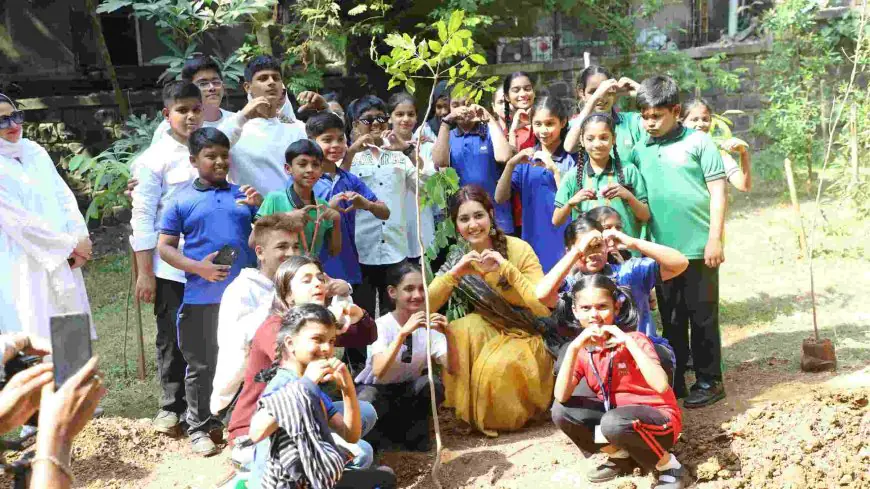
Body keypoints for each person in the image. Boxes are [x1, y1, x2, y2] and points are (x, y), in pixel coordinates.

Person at [157, 127, 261, 455]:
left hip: (245, 299)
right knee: (202, 364)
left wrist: (259, 210)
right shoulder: (180, 200)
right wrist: (197, 267)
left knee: (244, 361)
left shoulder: (243, 196)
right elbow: (165, 248)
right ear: (193, 160)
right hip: (202, 296)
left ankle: (235, 423)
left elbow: (263, 241)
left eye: (224, 155)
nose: (219, 162)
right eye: (210, 156)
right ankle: (199, 425)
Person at [627, 75, 727, 407]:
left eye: (657, 115)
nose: (650, 123)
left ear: (676, 110)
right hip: (662, 252)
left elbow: (717, 193)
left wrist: (715, 239)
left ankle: (710, 381)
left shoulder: (700, 142)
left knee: (702, 316)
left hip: (699, 249)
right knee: (671, 318)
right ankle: (675, 382)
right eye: (644, 116)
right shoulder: (640, 150)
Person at [427, 185, 552, 436]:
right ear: (456, 225)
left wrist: (507, 269)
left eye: (478, 215)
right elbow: (427, 305)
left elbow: (544, 307)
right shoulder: (459, 258)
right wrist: (455, 274)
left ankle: (509, 415)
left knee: (497, 366)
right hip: (491, 325)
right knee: (458, 330)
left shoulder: (518, 249)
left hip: (530, 332)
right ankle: (468, 414)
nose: (473, 225)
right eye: (464, 219)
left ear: (491, 215)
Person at [227, 256, 376, 452]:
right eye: (307, 280)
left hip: (305, 406)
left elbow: (368, 335)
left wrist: (359, 314)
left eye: (320, 278)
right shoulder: (275, 326)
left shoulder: (315, 324)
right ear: (288, 295)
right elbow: (294, 377)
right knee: (360, 452)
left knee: (366, 412)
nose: (317, 284)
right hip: (255, 431)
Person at [552, 274, 685, 489]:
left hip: (658, 424)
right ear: (575, 312)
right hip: (618, 424)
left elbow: (661, 385)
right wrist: (575, 347)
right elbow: (561, 396)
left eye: (602, 306)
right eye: (585, 308)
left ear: (616, 307)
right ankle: (622, 457)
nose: (594, 314)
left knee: (613, 422)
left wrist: (627, 341)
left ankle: (669, 466)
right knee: (562, 411)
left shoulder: (636, 340)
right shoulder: (582, 350)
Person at [248, 304, 396, 489]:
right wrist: (307, 383)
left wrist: (348, 389)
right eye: (317, 339)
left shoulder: (310, 384)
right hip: (283, 483)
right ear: (290, 343)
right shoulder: (285, 383)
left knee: (384, 478)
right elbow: (256, 432)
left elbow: (350, 435)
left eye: (332, 341)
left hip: (310, 476)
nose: (326, 348)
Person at [0, 93, 94, 340]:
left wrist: (80, 238)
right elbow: (18, 222)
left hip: (65, 257)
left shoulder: (34, 150)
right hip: (23, 260)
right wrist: (69, 245)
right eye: (2, 121)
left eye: (15, 117)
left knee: (72, 343)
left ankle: (75, 378)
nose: (13, 126)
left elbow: (64, 196)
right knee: (34, 337)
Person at [210, 213, 306, 417]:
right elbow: (245, 341)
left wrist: (342, 291)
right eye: (282, 247)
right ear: (260, 253)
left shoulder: (300, 286)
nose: (291, 253)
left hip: (291, 382)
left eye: (295, 246)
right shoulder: (242, 290)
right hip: (244, 396)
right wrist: (282, 300)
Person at [345, 95, 432, 318]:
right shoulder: (347, 159)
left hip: (395, 250)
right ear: (355, 124)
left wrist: (407, 151)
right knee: (360, 318)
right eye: (368, 120)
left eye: (381, 119)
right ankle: (361, 355)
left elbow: (427, 188)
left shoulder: (398, 157)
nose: (376, 124)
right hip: (360, 251)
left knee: (396, 316)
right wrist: (351, 151)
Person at [355, 262, 458, 451]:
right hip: (378, 394)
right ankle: (374, 442)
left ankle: (414, 434)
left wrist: (448, 334)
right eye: (409, 289)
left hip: (407, 395)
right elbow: (378, 370)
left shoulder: (428, 326)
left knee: (431, 383)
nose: (417, 295)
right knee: (368, 398)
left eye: (421, 289)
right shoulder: (381, 325)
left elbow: (453, 368)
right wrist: (403, 334)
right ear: (393, 292)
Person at [536, 215, 688, 342]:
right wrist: (576, 252)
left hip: (640, 356)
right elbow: (542, 295)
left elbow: (679, 263)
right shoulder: (570, 285)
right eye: (586, 249)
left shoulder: (628, 273)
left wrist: (633, 243)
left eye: (597, 246)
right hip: (591, 362)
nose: (593, 253)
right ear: (569, 251)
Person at [495, 96, 578, 272]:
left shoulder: (572, 159)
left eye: (550, 124)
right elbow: (500, 197)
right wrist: (510, 165)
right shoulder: (526, 160)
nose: (543, 130)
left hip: (566, 242)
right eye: (538, 124)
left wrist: (554, 169)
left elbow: (576, 202)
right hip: (534, 243)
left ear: (563, 122)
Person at [553, 112, 650, 243]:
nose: (597, 144)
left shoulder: (629, 170)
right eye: (590, 139)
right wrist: (571, 202)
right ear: (581, 140)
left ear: (614, 138)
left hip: (625, 250)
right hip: (590, 254)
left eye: (604, 138)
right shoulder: (573, 176)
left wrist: (628, 196)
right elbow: (556, 220)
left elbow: (645, 215)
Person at [226, 55, 308, 196]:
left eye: (276, 78)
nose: (271, 82)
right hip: (249, 212)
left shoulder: (298, 128)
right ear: (247, 87)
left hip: (294, 213)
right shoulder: (234, 127)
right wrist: (242, 117)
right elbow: (209, 149)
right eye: (263, 78)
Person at [432, 96, 515, 235]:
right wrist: (446, 122)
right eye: (456, 105)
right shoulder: (448, 136)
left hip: (498, 217)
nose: (462, 109)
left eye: (467, 104)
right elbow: (440, 161)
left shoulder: (489, 131)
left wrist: (488, 118)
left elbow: (504, 156)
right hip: (467, 221)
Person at [257, 139, 342, 257]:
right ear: (288, 168)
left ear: (321, 170)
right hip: (279, 272)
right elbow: (253, 242)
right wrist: (285, 217)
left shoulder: (323, 207)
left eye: (315, 165)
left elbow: (334, 251)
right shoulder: (275, 199)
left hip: (309, 271)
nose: (310, 170)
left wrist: (337, 221)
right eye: (302, 164)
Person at [386, 92, 436, 260]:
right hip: (391, 223)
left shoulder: (427, 145)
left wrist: (410, 151)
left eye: (411, 114)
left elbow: (431, 184)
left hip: (421, 220)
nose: (405, 119)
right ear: (389, 117)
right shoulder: (382, 147)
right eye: (399, 114)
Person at [564, 66, 644, 159]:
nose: (601, 98)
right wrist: (595, 98)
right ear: (581, 93)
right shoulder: (575, 126)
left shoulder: (631, 122)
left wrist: (641, 92)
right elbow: (569, 147)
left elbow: (662, 120)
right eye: (593, 92)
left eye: (607, 91)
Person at [151, 56, 234, 144]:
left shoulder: (237, 122)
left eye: (216, 82)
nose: (212, 88)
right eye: (203, 83)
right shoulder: (171, 127)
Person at [682, 98, 752, 192]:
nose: (701, 124)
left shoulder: (717, 155)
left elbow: (744, 186)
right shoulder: (670, 150)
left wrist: (743, 153)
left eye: (705, 119)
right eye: (694, 120)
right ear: (681, 121)